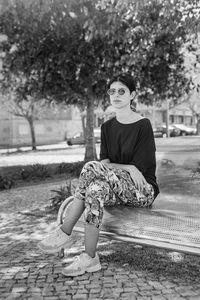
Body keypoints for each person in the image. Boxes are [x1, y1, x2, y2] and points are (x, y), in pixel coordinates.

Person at [38, 73, 159, 277]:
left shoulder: (143, 125)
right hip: (115, 187)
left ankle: (65, 230)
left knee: (90, 167)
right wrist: (127, 167)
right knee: (95, 189)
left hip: (142, 191)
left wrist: (129, 168)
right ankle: (90, 257)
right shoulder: (106, 127)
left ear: (133, 95)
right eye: (112, 91)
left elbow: (140, 168)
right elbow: (104, 164)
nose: (116, 95)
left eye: (122, 91)